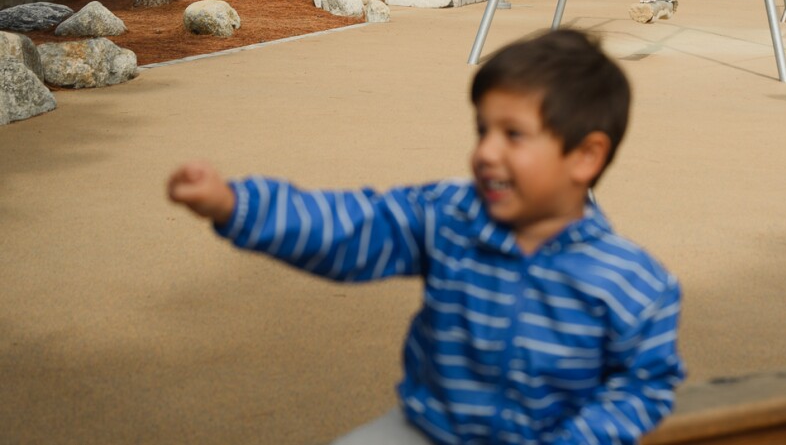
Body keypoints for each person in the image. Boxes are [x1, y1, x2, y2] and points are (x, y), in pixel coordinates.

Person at [166, 28, 684, 445]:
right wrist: (238, 205)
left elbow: (644, 386)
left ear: (585, 156)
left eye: (514, 135)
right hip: (429, 429)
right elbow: (353, 226)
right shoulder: (450, 216)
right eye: (483, 130)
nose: (485, 152)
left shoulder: (635, 283)